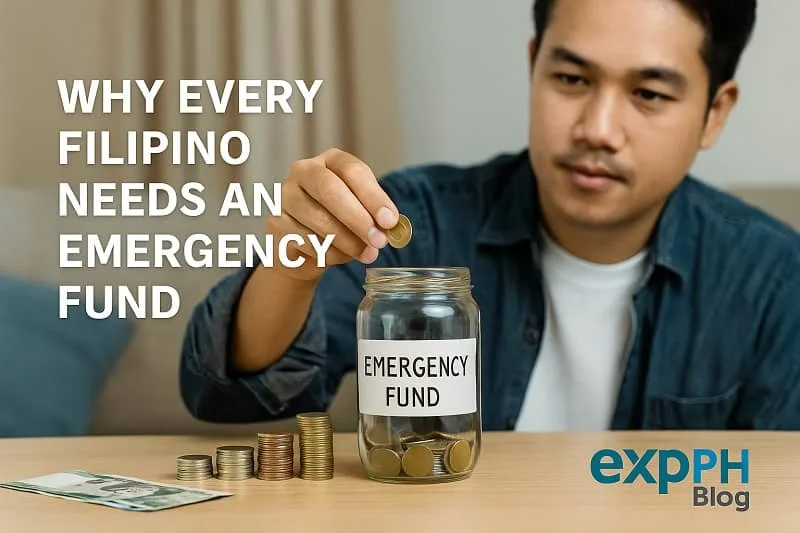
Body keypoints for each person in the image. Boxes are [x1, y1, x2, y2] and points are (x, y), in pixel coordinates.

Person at [179, 0, 800, 431]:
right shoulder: (417, 223)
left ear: (715, 112)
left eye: (648, 95)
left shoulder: (773, 281)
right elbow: (227, 397)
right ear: (534, 63)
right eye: (571, 79)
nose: (598, 129)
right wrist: (292, 272)